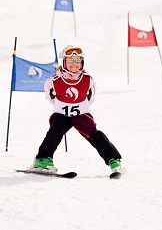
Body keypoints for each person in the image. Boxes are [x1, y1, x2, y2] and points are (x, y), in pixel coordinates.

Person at [32, 45, 122, 173]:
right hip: (62, 113)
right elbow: (51, 97)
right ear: (64, 63)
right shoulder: (54, 80)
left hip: (81, 114)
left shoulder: (87, 79)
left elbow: (90, 97)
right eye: (70, 61)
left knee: (94, 134)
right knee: (54, 132)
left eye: (77, 61)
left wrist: (78, 107)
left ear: (82, 62)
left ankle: (113, 159)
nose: (74, 64)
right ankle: (42, 159)